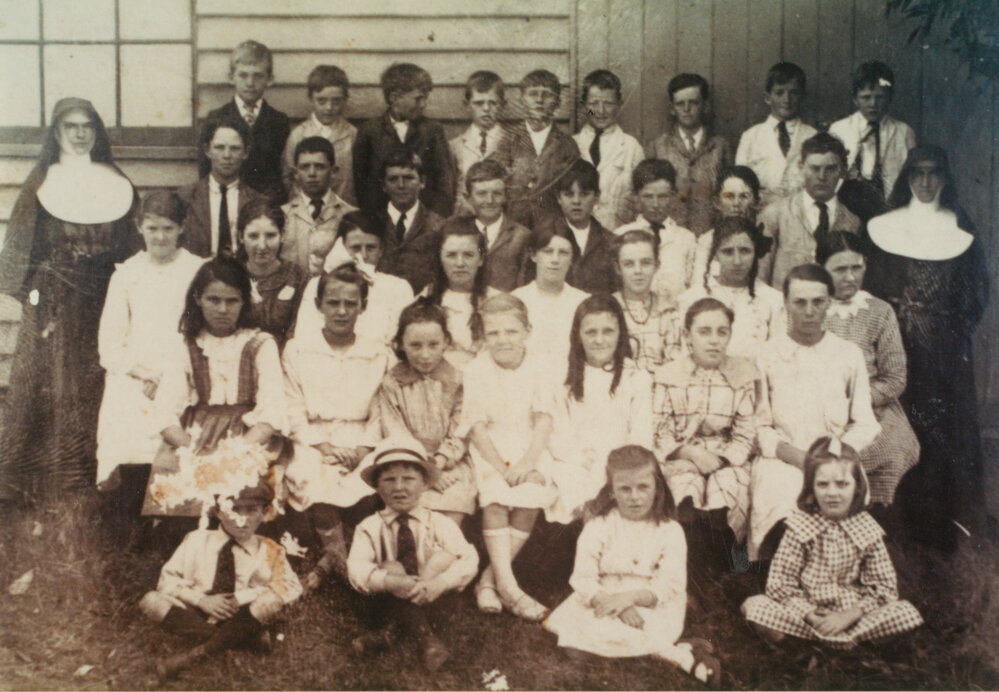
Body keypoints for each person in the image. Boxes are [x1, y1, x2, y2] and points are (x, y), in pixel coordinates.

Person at [0, 97, 139, 503]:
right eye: (70, 127)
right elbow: (22, 240)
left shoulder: (115, 178)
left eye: (87, 127)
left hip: (101, 295)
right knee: (46, 383)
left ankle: (85, 473)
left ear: (96, 132)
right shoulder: (42, 179)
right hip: (54, 299)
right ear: (56, 132)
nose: (79, 135)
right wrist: (30, 290)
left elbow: (131, 241)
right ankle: (33, 478)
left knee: (90, 381)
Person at [865, 146, 989, 542]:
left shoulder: (960, 228)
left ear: (945, 179)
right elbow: (872, 291)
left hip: (944, 356)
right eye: (917, 173)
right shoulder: (884, 228)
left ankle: (940, 523)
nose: (925, 182)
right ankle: (894, 518)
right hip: (895, 350)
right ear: (907, 177)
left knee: (941, 433)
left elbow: (976, 294)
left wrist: (949, 330)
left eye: (934, 173)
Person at [544, 445, 722, 687]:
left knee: (613, 636)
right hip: (603, 596)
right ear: (611, 491)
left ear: (657, 488)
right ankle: (677, 651)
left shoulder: (670, 530)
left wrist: (629, 599)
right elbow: (583, 578)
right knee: (575, 647)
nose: (634, 497)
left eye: (643, 487)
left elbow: (671, 584)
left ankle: (683, 658)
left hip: (649, 600)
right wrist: (613, 603)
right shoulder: (599, 526)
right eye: (624, 489)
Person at [750, 264, 880, 562]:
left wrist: (831, 454)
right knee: (781, 497)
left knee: (837, 493)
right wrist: (795, 456)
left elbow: (865, 423)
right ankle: (780, 574)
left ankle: (838, 572)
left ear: (829, 303)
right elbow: (760, 424)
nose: (809, 311)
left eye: (818, 302)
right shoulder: (766, 355)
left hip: (835, 456)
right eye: (800, 302)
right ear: (785, 305)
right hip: (783, 458)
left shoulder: (848, 354)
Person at [742, 437, 923, 648]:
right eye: (823, 484)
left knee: (905, 612)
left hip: (854, 617)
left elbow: (884, 588)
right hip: (809, 616)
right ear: (811, 488)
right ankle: (804, 647)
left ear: (857, 487)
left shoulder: (867, 529)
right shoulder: (799, 527)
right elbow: (780, 586)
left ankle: (853, 644)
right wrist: (809, 614)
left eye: (842, 484)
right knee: (754, 606)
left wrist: (849, 616)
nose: (832, 493)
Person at [141, 257, 286, 519]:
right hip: (197, 434)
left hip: (249, 434)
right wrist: (193, 451)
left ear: (244, 301)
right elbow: (164, 411)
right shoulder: (187, 345)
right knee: (175, 469)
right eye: (213, 300)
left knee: (247, 475)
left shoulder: (261, 344)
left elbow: (272, 413)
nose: (222, 309)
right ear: (198, 299)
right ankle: (184, 532)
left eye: (232, 301)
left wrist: (234, 453)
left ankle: (245, 529)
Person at [96, 190, 205, 498]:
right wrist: (143, 373)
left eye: (168, 228)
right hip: (136, 370)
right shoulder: (127, 274)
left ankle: (171, 509)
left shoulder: (196, 270)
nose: (159, 236)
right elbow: (109, 344)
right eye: (152, 228)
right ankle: (130, 505)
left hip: (182, 367)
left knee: (174, 412)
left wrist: (171, 376)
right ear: (139, 226)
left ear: (181, 228)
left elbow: (199, 331)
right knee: (128, 408)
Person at [139, 480, 302, 680]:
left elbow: (291, 587)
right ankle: (245, 641)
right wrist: (201, 600)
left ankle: (191, 657)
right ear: (218, 512)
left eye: (251, 510)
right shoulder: (196, 540)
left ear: (264, 512)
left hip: (243, 615)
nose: (242, 519)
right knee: (151, 601)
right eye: (233, 509)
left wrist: (241, 597)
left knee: (270, 603)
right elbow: (167, 581)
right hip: (197, 612)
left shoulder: (269, 548)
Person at [459, 294, 556, 621]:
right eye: (493, 333)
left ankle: (489, 581)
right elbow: (476, 427)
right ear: (483, 337)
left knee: (530, 498)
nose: (502, 340)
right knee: (497, 498)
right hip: (491, 447)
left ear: (527, 330)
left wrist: (527, 463)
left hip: (529, 445)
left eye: (511, 332)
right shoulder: (476, 369)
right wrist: (503, 467)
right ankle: (511, 588)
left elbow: (544, 418)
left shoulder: (541, 364)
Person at [347, 438, 479, 672]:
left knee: (444, 558)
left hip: (434, 601)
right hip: (385, 602)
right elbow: (356, 569)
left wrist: (438, 583)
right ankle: (426, 641)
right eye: (389, 480)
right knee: (391, 566)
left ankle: (389, 634)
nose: (399, 487)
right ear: (377, 487)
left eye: (408, 479)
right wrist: (390, 581)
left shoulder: (439, 522)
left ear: (425, 484)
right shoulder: (368, 527)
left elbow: (469, 558)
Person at [816, 231, 919, 510]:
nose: (850, 276)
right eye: (839, 269)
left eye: (856, 268)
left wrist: (857, 400)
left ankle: (875, 520)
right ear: (822, 271)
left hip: (876, 407)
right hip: (818, 406)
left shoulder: (879, 311)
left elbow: (896, 378)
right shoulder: (810, 308)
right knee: (822, 455)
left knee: (892, 448)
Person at [653, 298, 758, 567]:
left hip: (725, 457)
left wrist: (719, 460)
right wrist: (688, 453)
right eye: (704, 332)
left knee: (732, 487)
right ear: (687, 336)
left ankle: (731, 559)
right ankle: (684, 560)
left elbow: (745, 435)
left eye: (721, 332)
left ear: (730, 335)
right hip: (682, 455)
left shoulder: (742, 375)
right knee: (684, 486)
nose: (714, 340)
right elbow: (659, 430)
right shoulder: (668, 375)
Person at [281, 263, 390, 515]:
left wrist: (362, 450)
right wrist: (324, 448)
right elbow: (292, 407)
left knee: (368, 484)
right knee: (311, 480)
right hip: (312, 441)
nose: (342, 311)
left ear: (363, 306)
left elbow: (380, 411)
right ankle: (333, 548)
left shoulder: (377, 353)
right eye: (333, 303)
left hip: (361, 440)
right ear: (319, 305)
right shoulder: (297, 350)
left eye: (351, 304)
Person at [548, 296, 653, 523]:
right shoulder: (564, 378)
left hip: (622, 462)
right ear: (578, 334)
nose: (599, 340)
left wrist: (614, 465)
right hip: (575, 462)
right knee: (581, 490)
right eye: (591, 332)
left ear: (620, 334)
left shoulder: (635, 377)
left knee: (613, 487)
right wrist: (580, 459)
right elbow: (557, 432)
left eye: (608, 331)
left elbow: (641, 435)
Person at [378, 301, 477, 524]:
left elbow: (461, 430)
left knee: (452, 502)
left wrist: (439, 464)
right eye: (415, 345)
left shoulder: (457, 380)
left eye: (433, 345)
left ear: (446, 343)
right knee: (411, 508)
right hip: (406, 462)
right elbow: (395, 432)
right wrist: (424, 469)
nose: (425, 354)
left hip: (450, 461)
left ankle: (445, 555)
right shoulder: (392, 383)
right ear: (400, 344)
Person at [758, 133, 861, 289]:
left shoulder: (852, 222)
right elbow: (760, 277)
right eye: (815, 168)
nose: (821, 176)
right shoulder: (775, 214)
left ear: (842, 171)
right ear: (801, 167)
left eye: (831, 169)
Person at [294, 217, 414, 347]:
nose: (363, 255)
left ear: (381, 250)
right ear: (341, 247)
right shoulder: (317, 284)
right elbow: (304, 335)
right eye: (355, 247)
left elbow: (400, 340)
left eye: (370, 248)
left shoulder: (398, 288)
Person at [352, 62, 453, 217]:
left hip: (424, 221)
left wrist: (434, 221)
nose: (423, 105)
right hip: (381, 220)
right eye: (418, 99)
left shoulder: (432, 130)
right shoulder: (370, 131)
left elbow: (444, 183)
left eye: (425, 99)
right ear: (394, 99)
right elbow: (362, 185)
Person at [679, 216, 784, 361]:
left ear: (755, 252)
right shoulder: (693, 297)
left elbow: (777, 355)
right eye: (728, 252)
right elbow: (685, 353)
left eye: (745, 251)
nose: (737, 261)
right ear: (715, 254)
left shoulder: (773, 300)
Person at [199, 40, 290, 204]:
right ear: (231, 77)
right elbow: (205, 172)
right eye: (243, 75)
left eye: (258, 76)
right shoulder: (216, 118)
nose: (250, 83)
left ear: (270, 79)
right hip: (225, 201)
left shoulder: (278, 121)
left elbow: (282, 174)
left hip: (267, 205)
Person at [490, 69, 581, 229]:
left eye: (547, 95)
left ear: (557, 102)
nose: (539, 100)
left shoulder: (567, 145)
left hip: (552, 227)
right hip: (513, 225)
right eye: (533, 94)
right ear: (522, 100)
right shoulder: (508, 140)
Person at [646, 73, 732, 235]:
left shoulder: (720, 147)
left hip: (710, 233)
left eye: (693, 103)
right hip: (670, 235)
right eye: (680, 104)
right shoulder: (658, 146)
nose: (686, 109)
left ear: (705, 106)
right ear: (672, 108)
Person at [829, 61, 916, 210]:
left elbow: (912, 178)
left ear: (890, 97)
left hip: (891, 208)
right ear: (855, 98)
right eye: (866, 97)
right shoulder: (839, 129)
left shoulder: (904, 132)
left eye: (880, 97)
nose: (873, 104)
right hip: (848, 208)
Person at [180, 118, 267, 258]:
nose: (227, 155)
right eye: (219, 147)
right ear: (207, 150)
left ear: (245, 153)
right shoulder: (185, 198)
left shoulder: (258, 201)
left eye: (235, 148)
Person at [613, 158, 696, 304]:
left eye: (663, 197)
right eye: (648, 197)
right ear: (636, 196)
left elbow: (693, 288)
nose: (656, 204)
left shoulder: (686, 239)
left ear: (673, 195)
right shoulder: (620, 235)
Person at [361, 150, 446, 292]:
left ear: (422, 182)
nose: (401, 185)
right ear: (383, 185)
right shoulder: (367, 223)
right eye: (393, 179)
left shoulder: (439, 225)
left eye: (408, 178)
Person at [735, 62, 817, 206]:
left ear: (802, 96)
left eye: (794, 93)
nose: (787, 100)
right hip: (761, 213)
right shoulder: (751, 137)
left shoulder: (812, 136)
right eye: (779, 93)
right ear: (767, 97)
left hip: (801, 213)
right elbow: (739, 183)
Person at [532, 159, 617, 295]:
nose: (576, 201)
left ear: (596, 197)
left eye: (584, 194)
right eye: (569, 194)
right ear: (558, 197)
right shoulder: (544, 236)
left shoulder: (610, 241)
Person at [574, 69, 644, 229]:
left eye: (608, 104)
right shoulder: (571, 145)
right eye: (593, 104)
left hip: (618, 235)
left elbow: (642, 200)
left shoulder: (631, 147)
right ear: (584, 106)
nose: (600, 111)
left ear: (619, 105)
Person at [448, 159, 532, 292]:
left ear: (506, 196)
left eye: (497, 193)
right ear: (468, 197)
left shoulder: (522, 236)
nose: (490, 201)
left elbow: (525, 289)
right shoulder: (452, 232)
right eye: (481, 194)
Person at [512, 226, 590, 365]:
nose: (555, 259)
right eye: (548, 251)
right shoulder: (516, 300)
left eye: (563, 253)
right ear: (533, 255)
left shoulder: (584, 302)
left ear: (572, 258)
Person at [281, 64, 357, 205]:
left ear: (345, 99)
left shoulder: (352, 135)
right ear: (311, 99)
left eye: (336, 101)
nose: (329, 108)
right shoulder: (298, 135)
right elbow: (288, 177)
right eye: (321, 101)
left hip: (344, 210)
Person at [423, 223, 497, 367]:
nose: (460, 263)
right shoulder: (427, 298)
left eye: (468, 255)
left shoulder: (496, 299)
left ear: (480, 259)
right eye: (451, 255)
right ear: (440, 258)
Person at [279, 136, 358, 271]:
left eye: (320, 167)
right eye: (304, 167)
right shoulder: (282, 215)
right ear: (295, 173)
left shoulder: (350, 215)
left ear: (333, 172)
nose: (312, 173)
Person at [238, 200, 308, 348]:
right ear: (240, 237)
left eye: (270, 235)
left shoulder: (298, 277)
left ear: (282, 235)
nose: (262, 245)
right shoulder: (231, 275)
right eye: (253, 236)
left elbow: (298, 332)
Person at [612, 231, 683, 374]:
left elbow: (675, 364)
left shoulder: (670, 311)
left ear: (656, 265)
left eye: (645, 263)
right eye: (629, 264)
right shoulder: (608, 309)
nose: (638, 271)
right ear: (618, 268)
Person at [692, 165, 763, 282]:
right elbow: (699, 283)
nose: (736, 203)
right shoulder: (706, 242)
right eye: (729, 196)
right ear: (717, 203)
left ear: (756, 201)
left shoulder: (764, 239)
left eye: (744, 196)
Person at [450, 71, 507, 214]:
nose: (486, 109)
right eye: (479, 103)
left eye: (492, 103)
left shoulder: (514, 142)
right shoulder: (455, 146)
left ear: (503, 105)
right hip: (464, 221)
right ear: (467, 105)